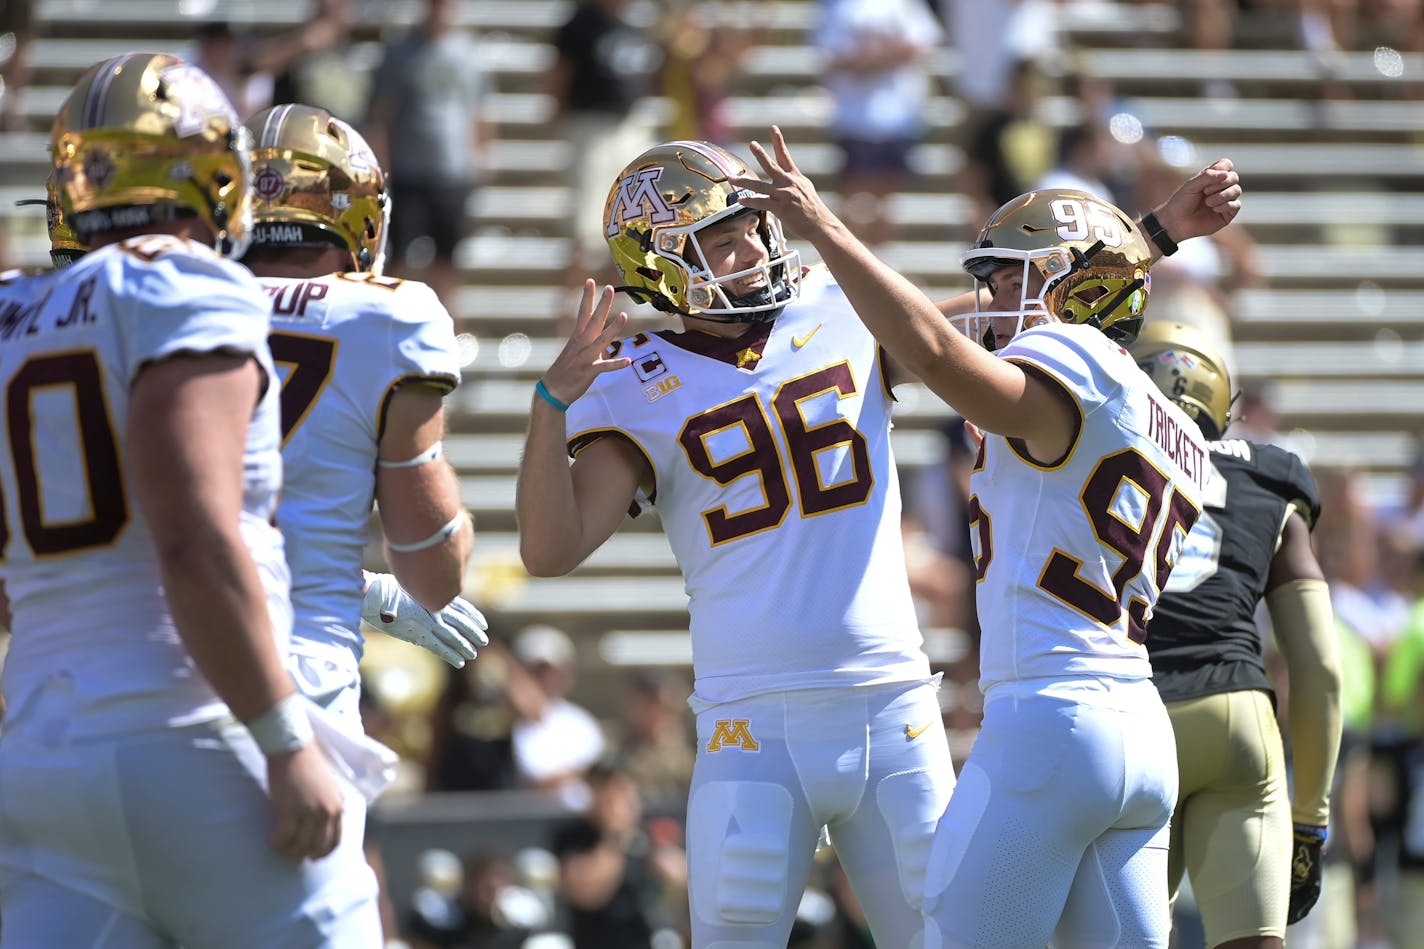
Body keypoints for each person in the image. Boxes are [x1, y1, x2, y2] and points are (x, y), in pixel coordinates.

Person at [733, 126, 1242, 947]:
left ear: (1072, 290)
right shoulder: (1149, 403)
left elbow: (932, 347)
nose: (996, 299)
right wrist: (1153, 236)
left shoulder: (1072, 363)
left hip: (1049, 721)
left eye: (1014, 278)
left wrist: (824, 227)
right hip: (1140, 730)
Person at [516, 139, 955, 946]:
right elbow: (550, 549)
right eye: (722, 238)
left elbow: (957, 338)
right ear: (661, 266)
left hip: (895, 704)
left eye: (752, 227)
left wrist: (1146, 238)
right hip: (750, 727)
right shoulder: (628, 380)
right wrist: (550, 408)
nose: (752, 248)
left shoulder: (841, 304)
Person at [0, 53, 379, 944]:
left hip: (42, 747)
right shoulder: (185, 283)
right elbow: (197, 540)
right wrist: (288, 739)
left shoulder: (11, 310)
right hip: (192, 728)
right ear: (215, 171)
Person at [239, 103, 487, 785]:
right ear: (359, 214)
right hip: (299, 672)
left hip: (148, 663)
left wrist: (367, 592)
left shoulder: (155, 299)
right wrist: (452, 532)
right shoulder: (386, 316)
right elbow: (432, 570)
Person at [1130, 320, 1343, 949]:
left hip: (1136, 717)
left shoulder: (1098, 454)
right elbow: (1320, 667)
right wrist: (1311, 819)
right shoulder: (1269, 476)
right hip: (1238, 719)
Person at [365, 0, 494, 310]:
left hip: (453, 170)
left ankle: (446, 325)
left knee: (447, 258)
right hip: (410, 168)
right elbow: (382, 112)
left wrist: (483, 154)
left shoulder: (469, 52)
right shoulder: (400, 51)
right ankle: (392, 318)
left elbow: (480, 108)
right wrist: (382, 166)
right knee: (401, 256)